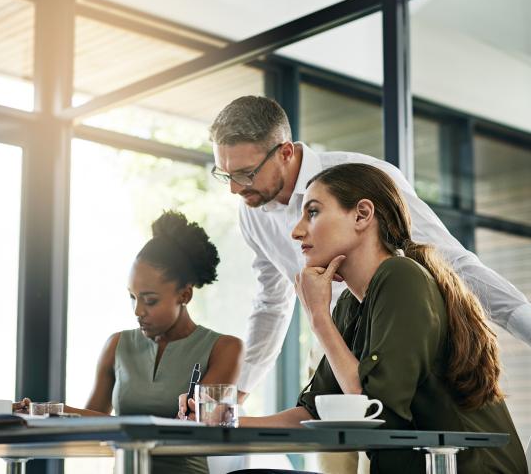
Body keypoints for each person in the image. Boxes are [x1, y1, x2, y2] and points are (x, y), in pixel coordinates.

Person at [208, 96, 531, 471]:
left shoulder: (400, 272)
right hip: (344, 335)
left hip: (448, 443)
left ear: (284, 152)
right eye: (224, 175)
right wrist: (227, 417)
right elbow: (272, 308)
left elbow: (453, 262)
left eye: (245, 173)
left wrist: (318, 318)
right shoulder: (343, 303)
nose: (234, 188)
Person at [67, 211, 243, 474]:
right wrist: (50, 413)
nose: (138, 311)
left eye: (149, 300)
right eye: (132, 297)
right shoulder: (116, 345)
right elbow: (90, 427)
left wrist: (71, 414)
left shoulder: (225, 349)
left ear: (184, 295)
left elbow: (188, 427)